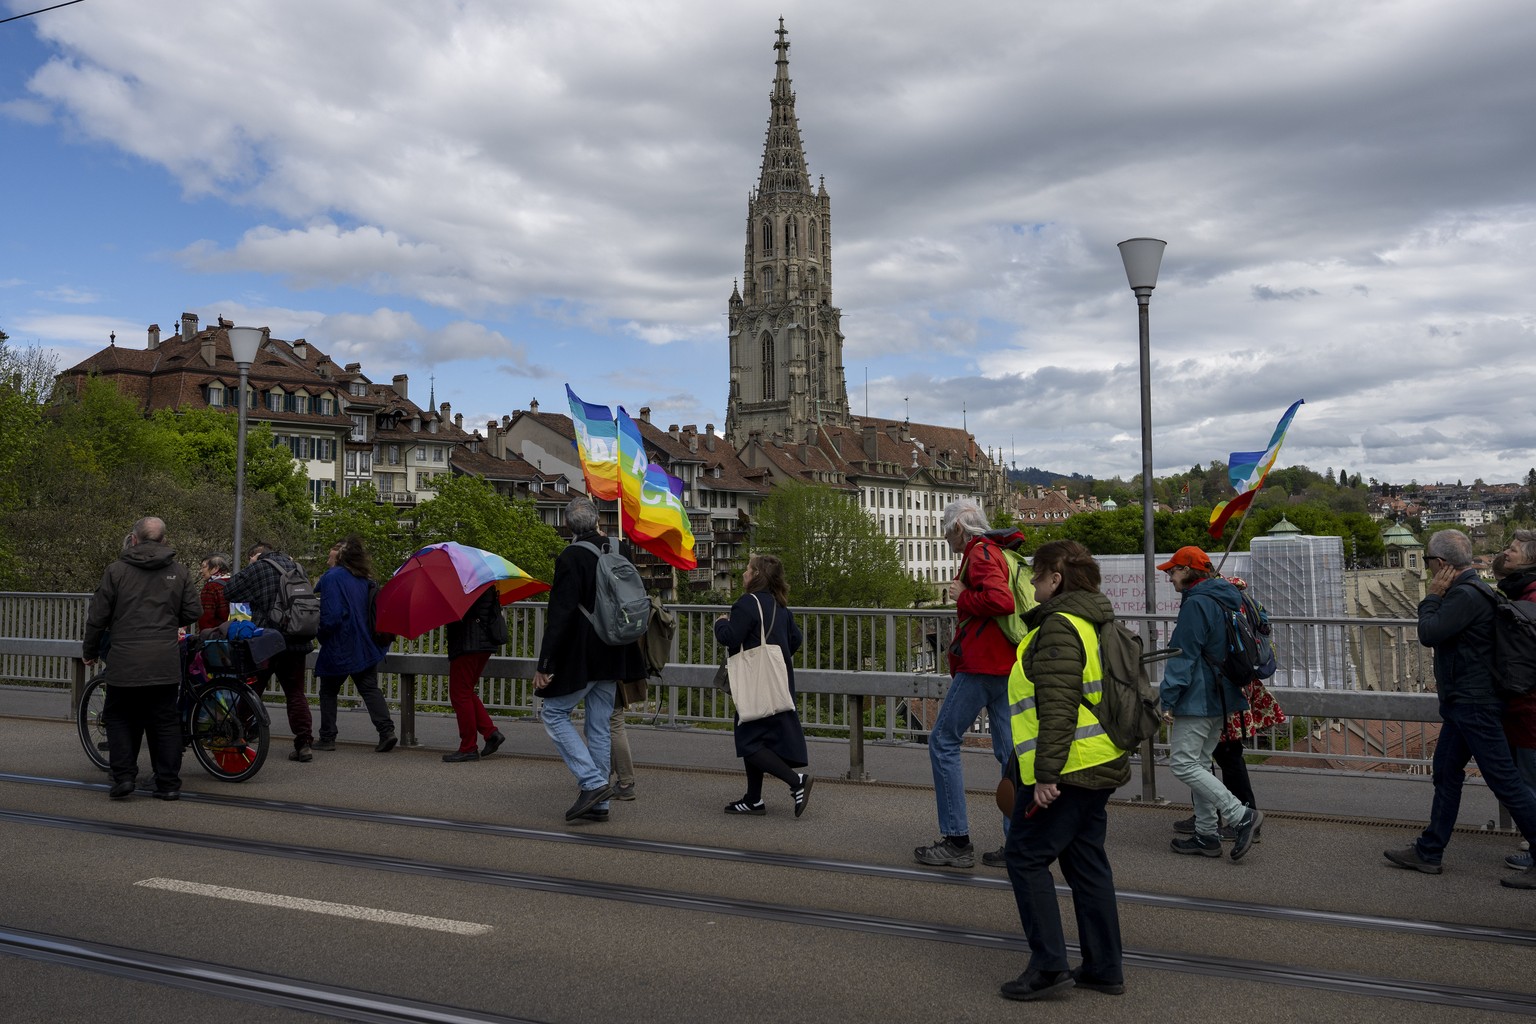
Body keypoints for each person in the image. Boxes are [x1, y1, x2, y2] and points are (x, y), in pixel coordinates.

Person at [999, 540, 1127, 1001]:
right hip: (1096, 761)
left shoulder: (1058, 626)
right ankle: (1103, 967)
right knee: (1085, 863)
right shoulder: (1093, 619)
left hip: (1069, 768)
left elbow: (1058, 707)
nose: (1032, 584)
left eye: (1036, 576)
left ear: (1056, 579)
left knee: (1024, 857)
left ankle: (1049, 966)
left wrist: (1047, 775)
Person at [1386, 529, 1536, 878]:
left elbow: (1428, 633)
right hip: (1464, 704)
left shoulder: (1464, 595)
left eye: (1428, 561)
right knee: (1445, 773)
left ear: (1440, 564)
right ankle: (1429, 851)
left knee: (1505, 782)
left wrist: (1431, 597)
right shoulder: (1476, 590)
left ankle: (1430, 850)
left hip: (1474, 705)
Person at [915, 498, 1024, 869]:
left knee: (943, 741)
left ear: (958, 528)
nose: (947, 540)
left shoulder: (978, 553)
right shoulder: (998, 550)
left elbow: (1001, 601)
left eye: (946, 533)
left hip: (981, 665)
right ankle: (1018, 843)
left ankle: (956, 840)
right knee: (1009, 754)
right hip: (1007, 664)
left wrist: (964, 596)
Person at [533, 497, 648, 823]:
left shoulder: (570, 556)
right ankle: (600, 805)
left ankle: (593, 783)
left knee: (553, 714)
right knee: (598, 726)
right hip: (616, 648)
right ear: (598, 521)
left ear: (568, 526)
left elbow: (561, 614)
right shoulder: (619, 548)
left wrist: (545, 664)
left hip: (583, 652)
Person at [81, 517, 202, 800]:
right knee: (165, 721)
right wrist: (166, 621)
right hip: (164, 660)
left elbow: (98, 616)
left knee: (120, 717)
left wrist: (90, 650)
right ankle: (168, 784)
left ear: (134, 539)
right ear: (164, 540)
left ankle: (124, 777)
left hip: (125, 660)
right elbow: (193, 611)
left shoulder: (116, 571)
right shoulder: (179, 572)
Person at [1157, 546, 1264, 861]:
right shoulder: (1224, 597)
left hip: (1198, 696)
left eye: (1173, 571)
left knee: (1183, 763)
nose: (1169, 577)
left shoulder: (1196, 603)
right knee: (1200, 763)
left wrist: (1168, 699)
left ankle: (1240, 815)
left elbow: (1183, 654)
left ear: (1187, 570)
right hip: (1223, 694)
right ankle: (1206, 835)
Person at [1171, 576, 1285, 843]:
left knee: (1222, 754)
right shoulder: (1237, 599)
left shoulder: (1215, 602)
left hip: (1221, 687)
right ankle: (1212, 819)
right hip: (1237, 684)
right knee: (1214, 755)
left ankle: (1241, 816)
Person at [714, 553, 812, 817]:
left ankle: (796, 782)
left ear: (756, 575)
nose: (744, 573)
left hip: (754, 685)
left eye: (748, 569)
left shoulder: (747, 603)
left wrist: (720, 623)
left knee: (748, 742)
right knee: (757, 740)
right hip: (776, 682)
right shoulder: (779, 605)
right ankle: (753, 799)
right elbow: (795, 639)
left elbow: (731, 637)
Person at [225, 541, 317, 762]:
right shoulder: (296, 567)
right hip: (296, 640)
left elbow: (230, 592)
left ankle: (237, 736)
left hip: (265, 641)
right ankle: (304, 743)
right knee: (295, 693)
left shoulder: (259, 567)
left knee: (251, 690)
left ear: (257, 555)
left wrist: (251, 568)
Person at [313, 535, 397, 753]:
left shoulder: (332, 578)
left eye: (331, 554)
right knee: (369, 688)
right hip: (365, 644)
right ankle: (386, 731)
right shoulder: (363, 578)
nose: (328, 559)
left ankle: (327, 737)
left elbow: (331, 616)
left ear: (340, 556)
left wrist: (321, 634)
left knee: (328, 691)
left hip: (340, 644)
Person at [1493, 540, 1536, 877]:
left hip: (1529, 707)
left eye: (1514, 549)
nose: (1506, 552)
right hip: (1523, 705)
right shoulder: (1522, 591)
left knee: (1529, 781)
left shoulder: (1531, 598)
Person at [442, 584, 507, 762]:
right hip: (482, 643)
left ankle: (468, 747)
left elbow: (458, 610)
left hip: (468, 643)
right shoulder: (482, 581)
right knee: (466, 691)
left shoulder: (463, 584)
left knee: (459, 695)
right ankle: (491, 733)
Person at [197, 553, 232, 631]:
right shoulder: (234, 582)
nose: (201, 571)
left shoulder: (210, 587)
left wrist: (205, 634)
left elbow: (206, 617)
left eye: (204, 567)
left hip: (218, 633)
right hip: (236, 630)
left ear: (215, 568)